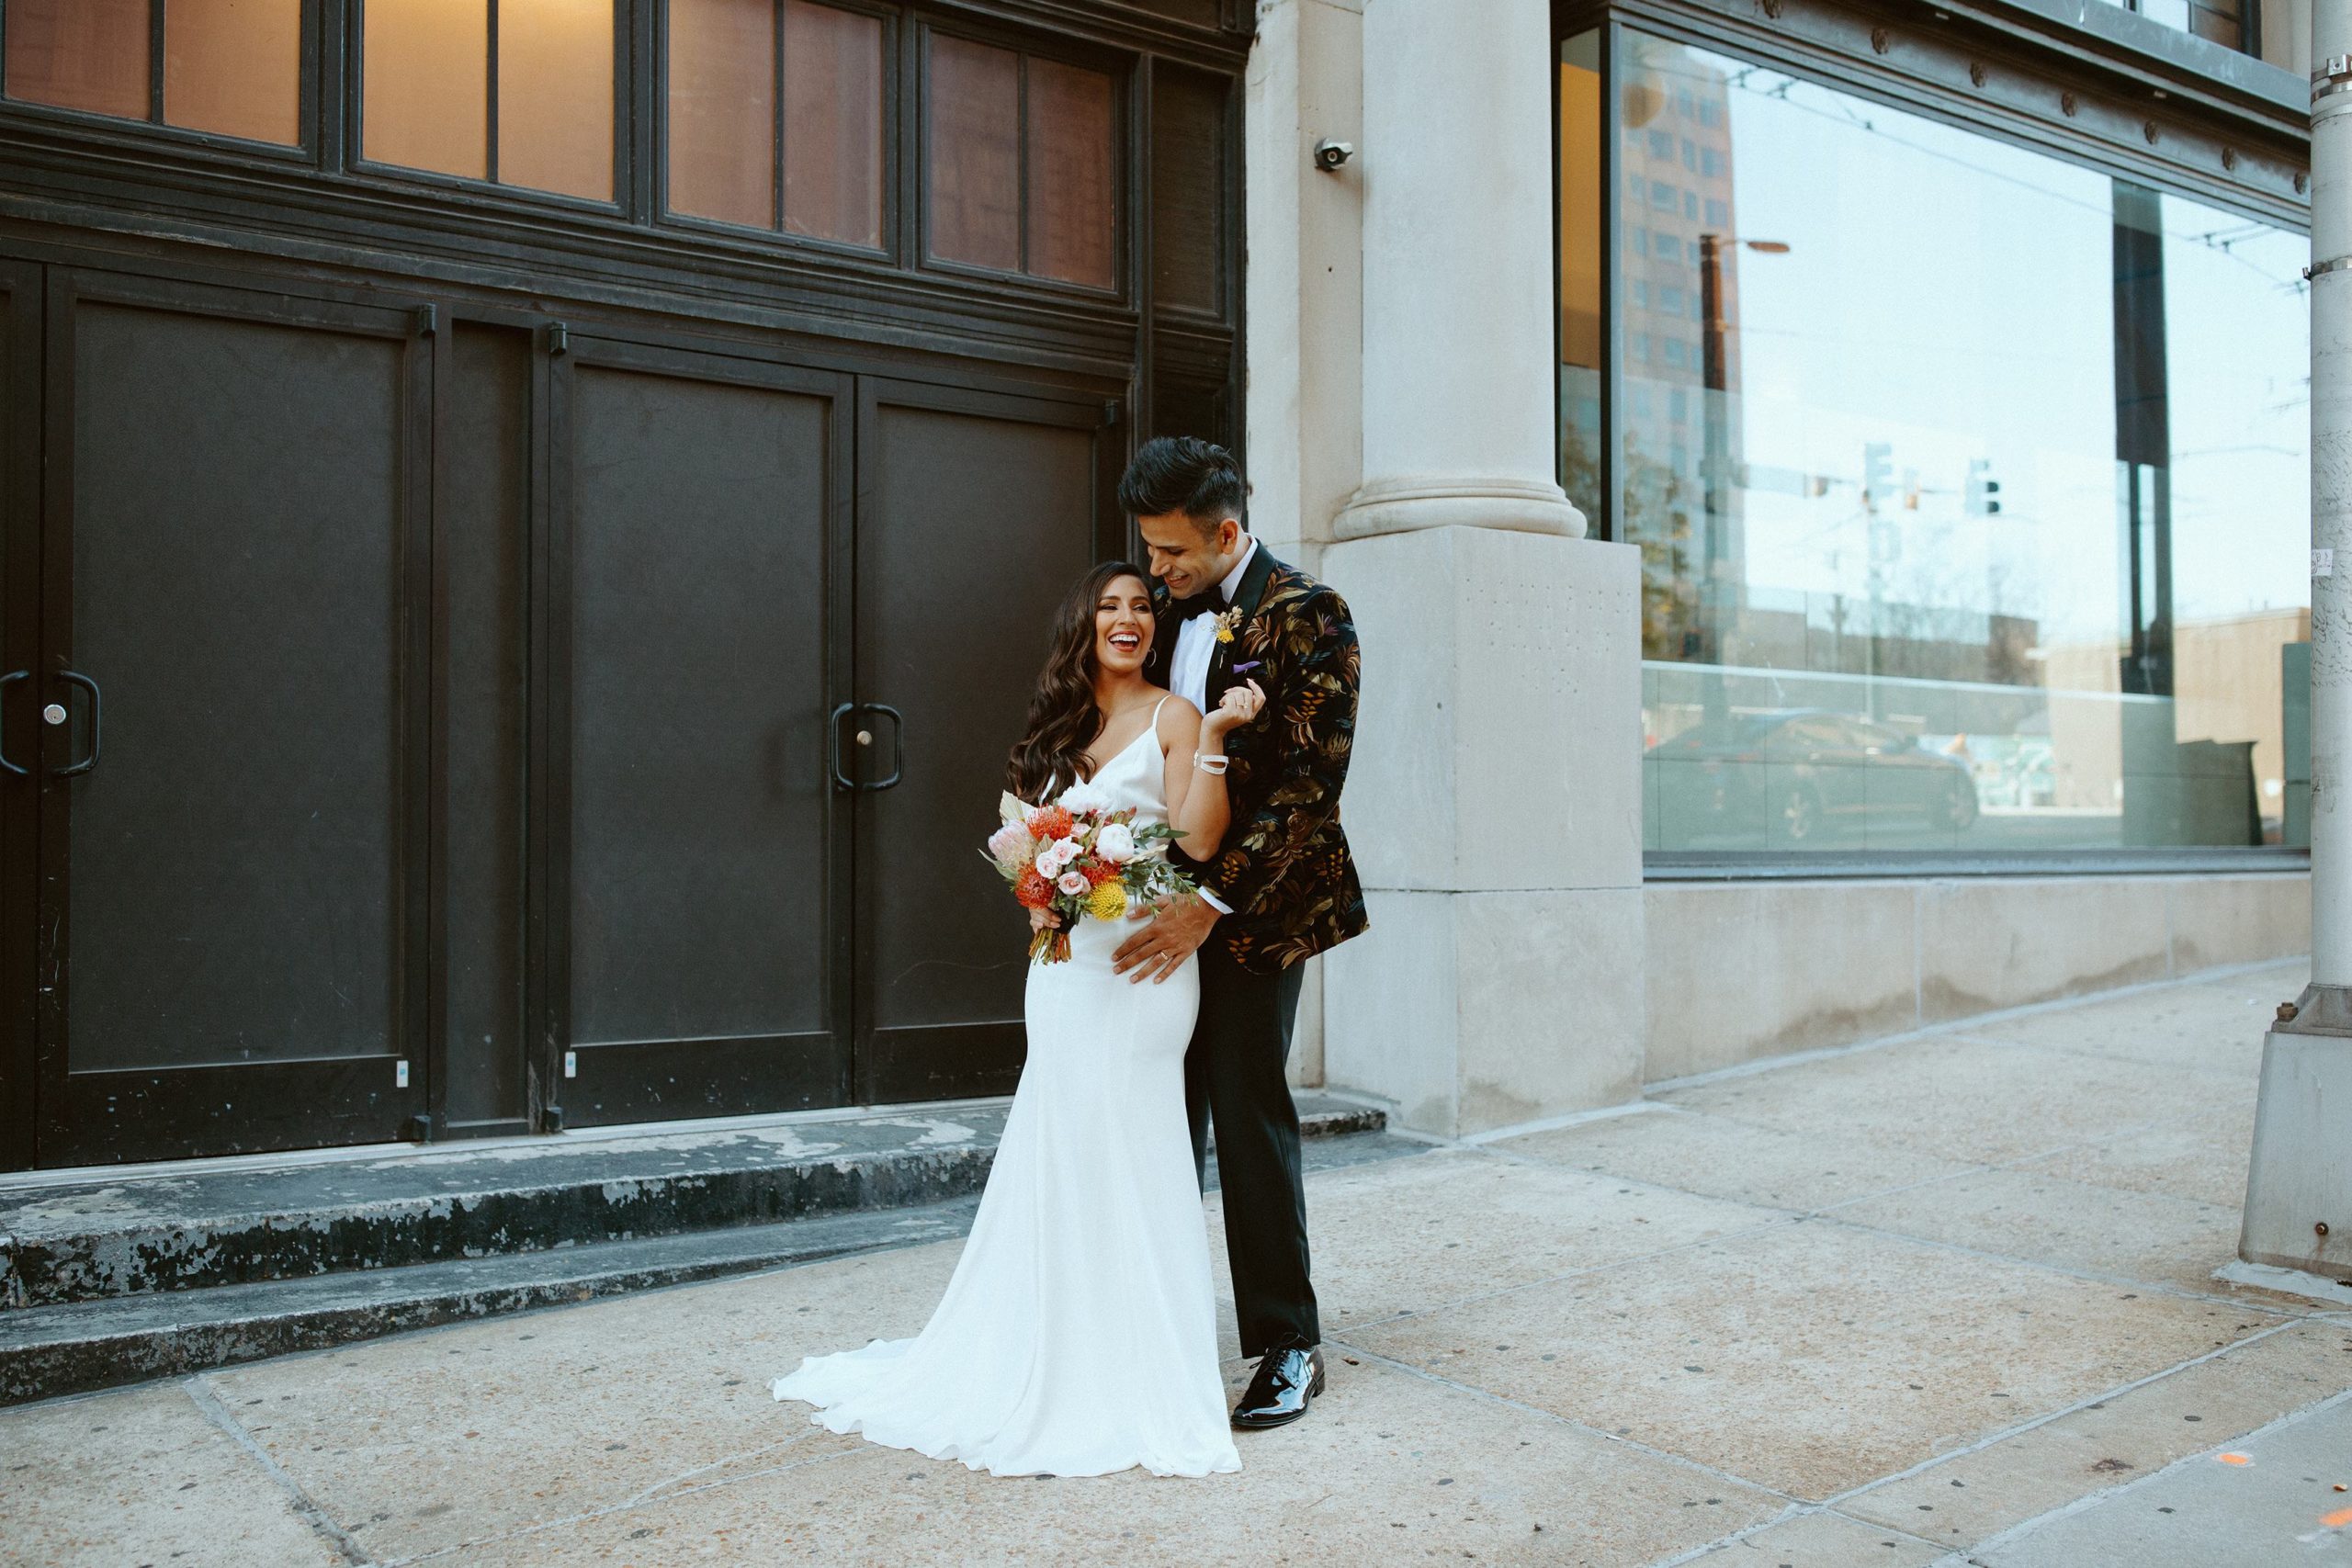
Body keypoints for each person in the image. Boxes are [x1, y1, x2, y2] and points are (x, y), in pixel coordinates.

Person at [772, 559, 1268, 1478]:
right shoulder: (1059, 726)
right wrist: (1037, 892)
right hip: (1063, 971)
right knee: (1061, 1143)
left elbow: (1196, 840)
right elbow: (1023, 844)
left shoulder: (1174, 715)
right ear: (1082, 625)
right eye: (1108, 606)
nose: (1126, 618)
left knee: (1134, 1147)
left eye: (1139, 607)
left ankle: (1137, 1365)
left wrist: (1218, 741)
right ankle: (1055, 1343)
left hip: (1143, 967)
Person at [1114, 436, 1367, 1430]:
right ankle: (1154, 1323)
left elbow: (1311, 785)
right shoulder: (1154, 610)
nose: (1157, 571)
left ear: (1226, 532)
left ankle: (1287, 1343)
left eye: (1174, 554)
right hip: (1152, 912)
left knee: (1247, 1109)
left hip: (1256, 916)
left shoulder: (1310, 613)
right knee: (1153, 1114)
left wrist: (1206, 903)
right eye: (1148, 550)